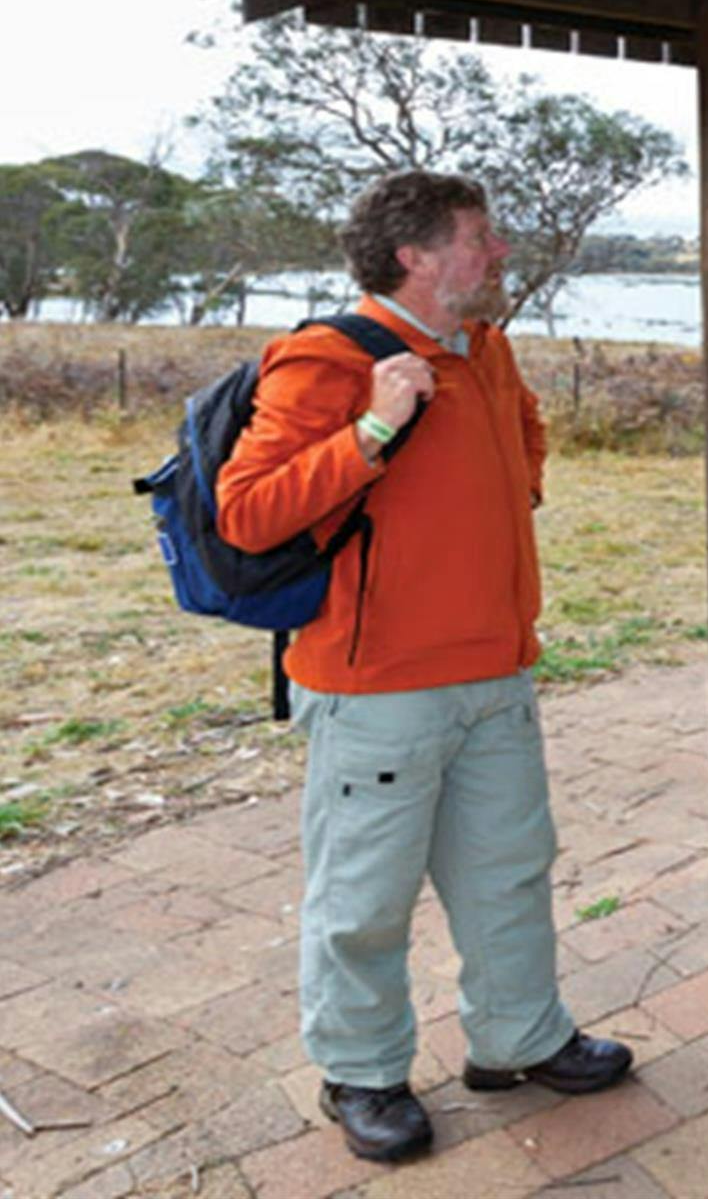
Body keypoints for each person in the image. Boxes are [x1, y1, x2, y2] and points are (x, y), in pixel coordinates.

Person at [218, 172, 629, 1163]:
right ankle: (360, 1073)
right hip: (377, 689)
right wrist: (370, 433)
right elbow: (247, 512)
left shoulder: (484, 348)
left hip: (495, 670)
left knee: (510, 872)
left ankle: (519, 1040)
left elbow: (523, 435)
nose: (498, 254)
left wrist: (505, 495)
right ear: (416, 254)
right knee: (364, 900)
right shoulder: (326, 358)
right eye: (480, 238)